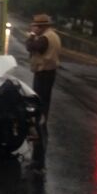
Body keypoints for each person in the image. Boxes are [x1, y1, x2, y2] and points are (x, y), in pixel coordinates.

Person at [25, 13, 61, 171]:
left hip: (43, 73)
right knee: (43, 103)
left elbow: (32, 47)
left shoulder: (45, 38)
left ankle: (38, 160)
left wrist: (31, 36)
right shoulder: (53, 35)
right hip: (48, 73)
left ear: (42, 27)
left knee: (40, 105)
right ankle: (42, 122)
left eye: (35, 26)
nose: (33, 28)